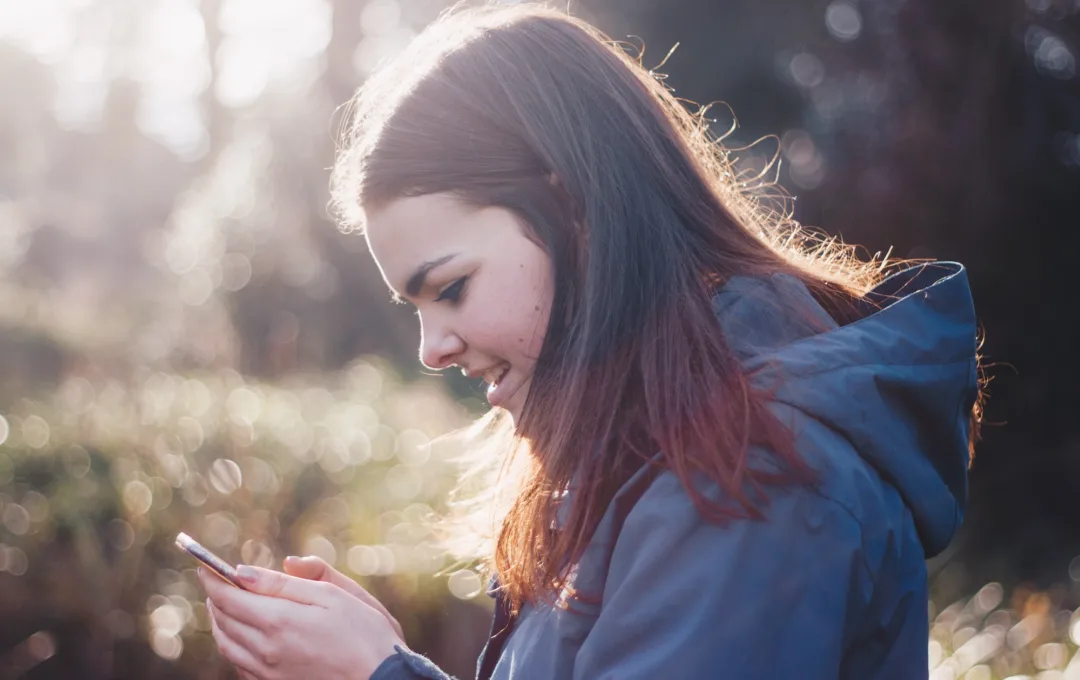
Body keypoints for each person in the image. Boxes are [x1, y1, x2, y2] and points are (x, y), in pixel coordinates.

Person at [196, 3, 985, 679]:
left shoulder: (751, 481)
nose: (432, 347)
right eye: (415, 307)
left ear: (576, 213)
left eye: (451, 288)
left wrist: (379, 673)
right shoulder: (666, 456)